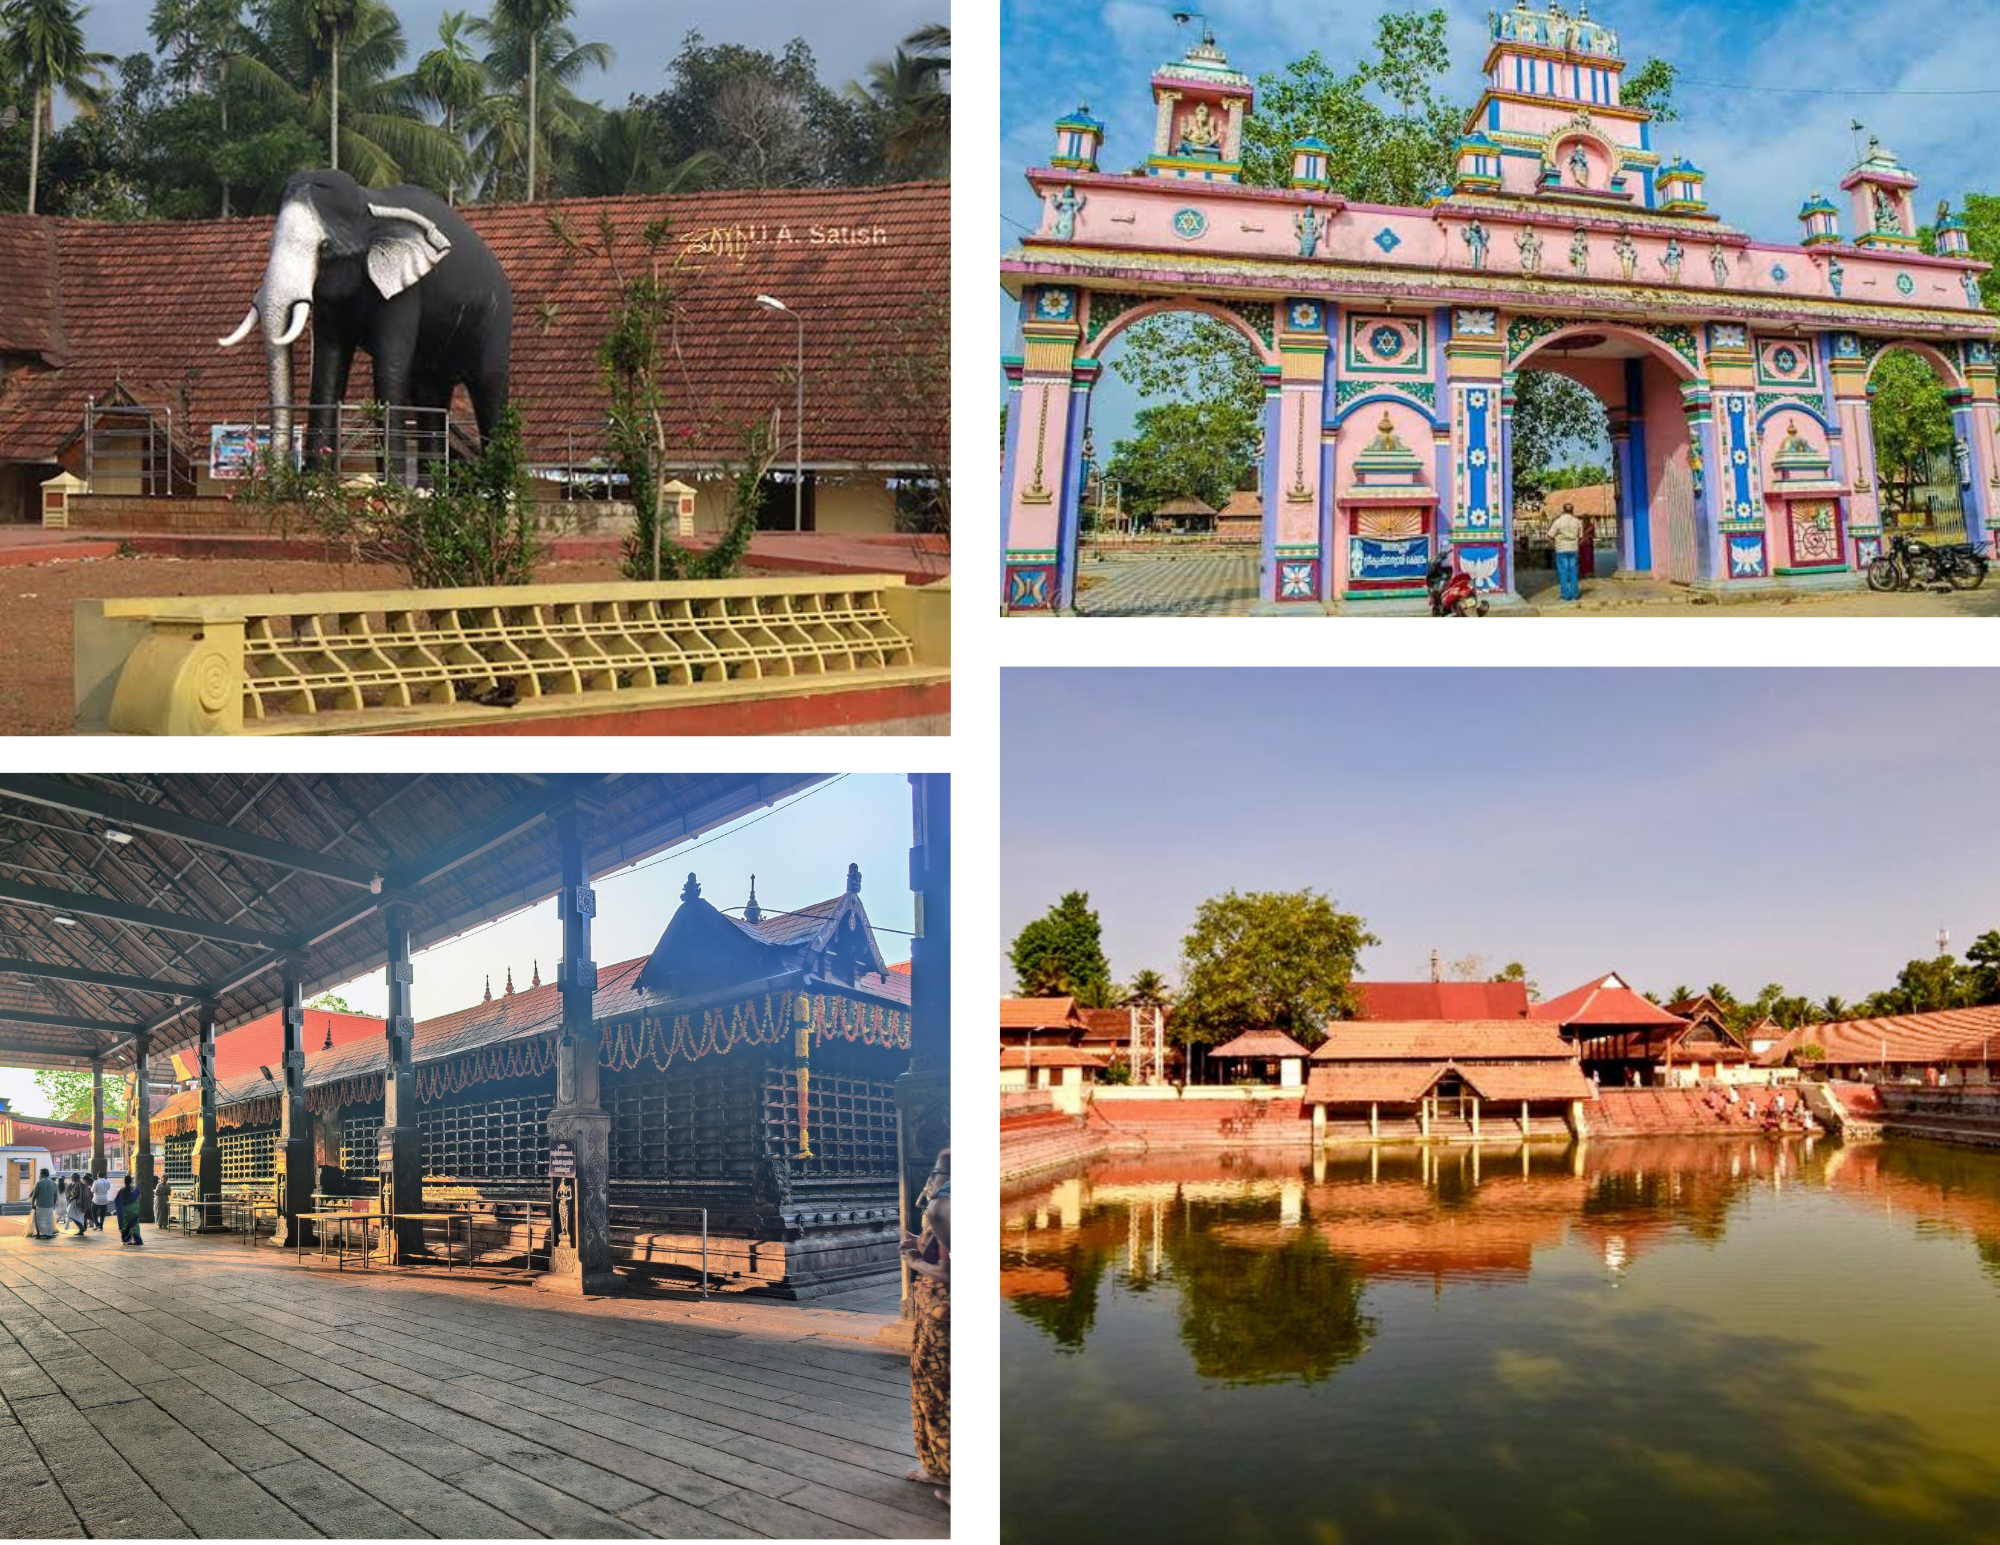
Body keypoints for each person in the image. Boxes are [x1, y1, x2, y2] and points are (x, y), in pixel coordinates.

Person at [901, 1148, 951, 1507]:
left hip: (945, 1312)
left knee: (941, 1392)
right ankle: (937, 1465)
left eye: (935, 1172)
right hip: (932, 1311)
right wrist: (919, 1245)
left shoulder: (944, 1205)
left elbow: (951, 1270)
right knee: (927, 1385)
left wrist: (915, 1261)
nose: (931, 1179)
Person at [1548, 501, 1584, 602]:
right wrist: (1576, 544)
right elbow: (1581, 537)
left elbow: (1550, 536)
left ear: (1563, 510)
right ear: (1573, 510)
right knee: (1573, 572)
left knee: (1563, 572)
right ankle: (1574, 595)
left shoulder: (1558, 521)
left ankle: (1565, 596)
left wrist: (1554, 545)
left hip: (1561, 549)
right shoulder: (1577, 522)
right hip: (1573, 548)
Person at [114, 1174, 143, 1246]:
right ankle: (137, 1240)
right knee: (135, 1224)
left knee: (126, 1223)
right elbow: (140, 1198)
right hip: (135, 1209)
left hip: (126, 1210)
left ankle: (126, 1239)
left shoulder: (122, 1190)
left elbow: (117, 1200)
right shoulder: (137, 1189)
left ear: (124, 1181)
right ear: (132, 1181)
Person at [27, 1168, 56, 1239]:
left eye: (40, 1174)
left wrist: (32, 1204)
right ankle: (49, 1234)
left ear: (42, 1174)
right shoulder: (54, 1183)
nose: (39, 1175)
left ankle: (38, 1234)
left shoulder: (39, 1183)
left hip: (40, 1205)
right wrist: (54, 1204)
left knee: (38, 1220)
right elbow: (55, 1195)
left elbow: (35, 1195)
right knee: (49, 1220)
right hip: (50, 1205)